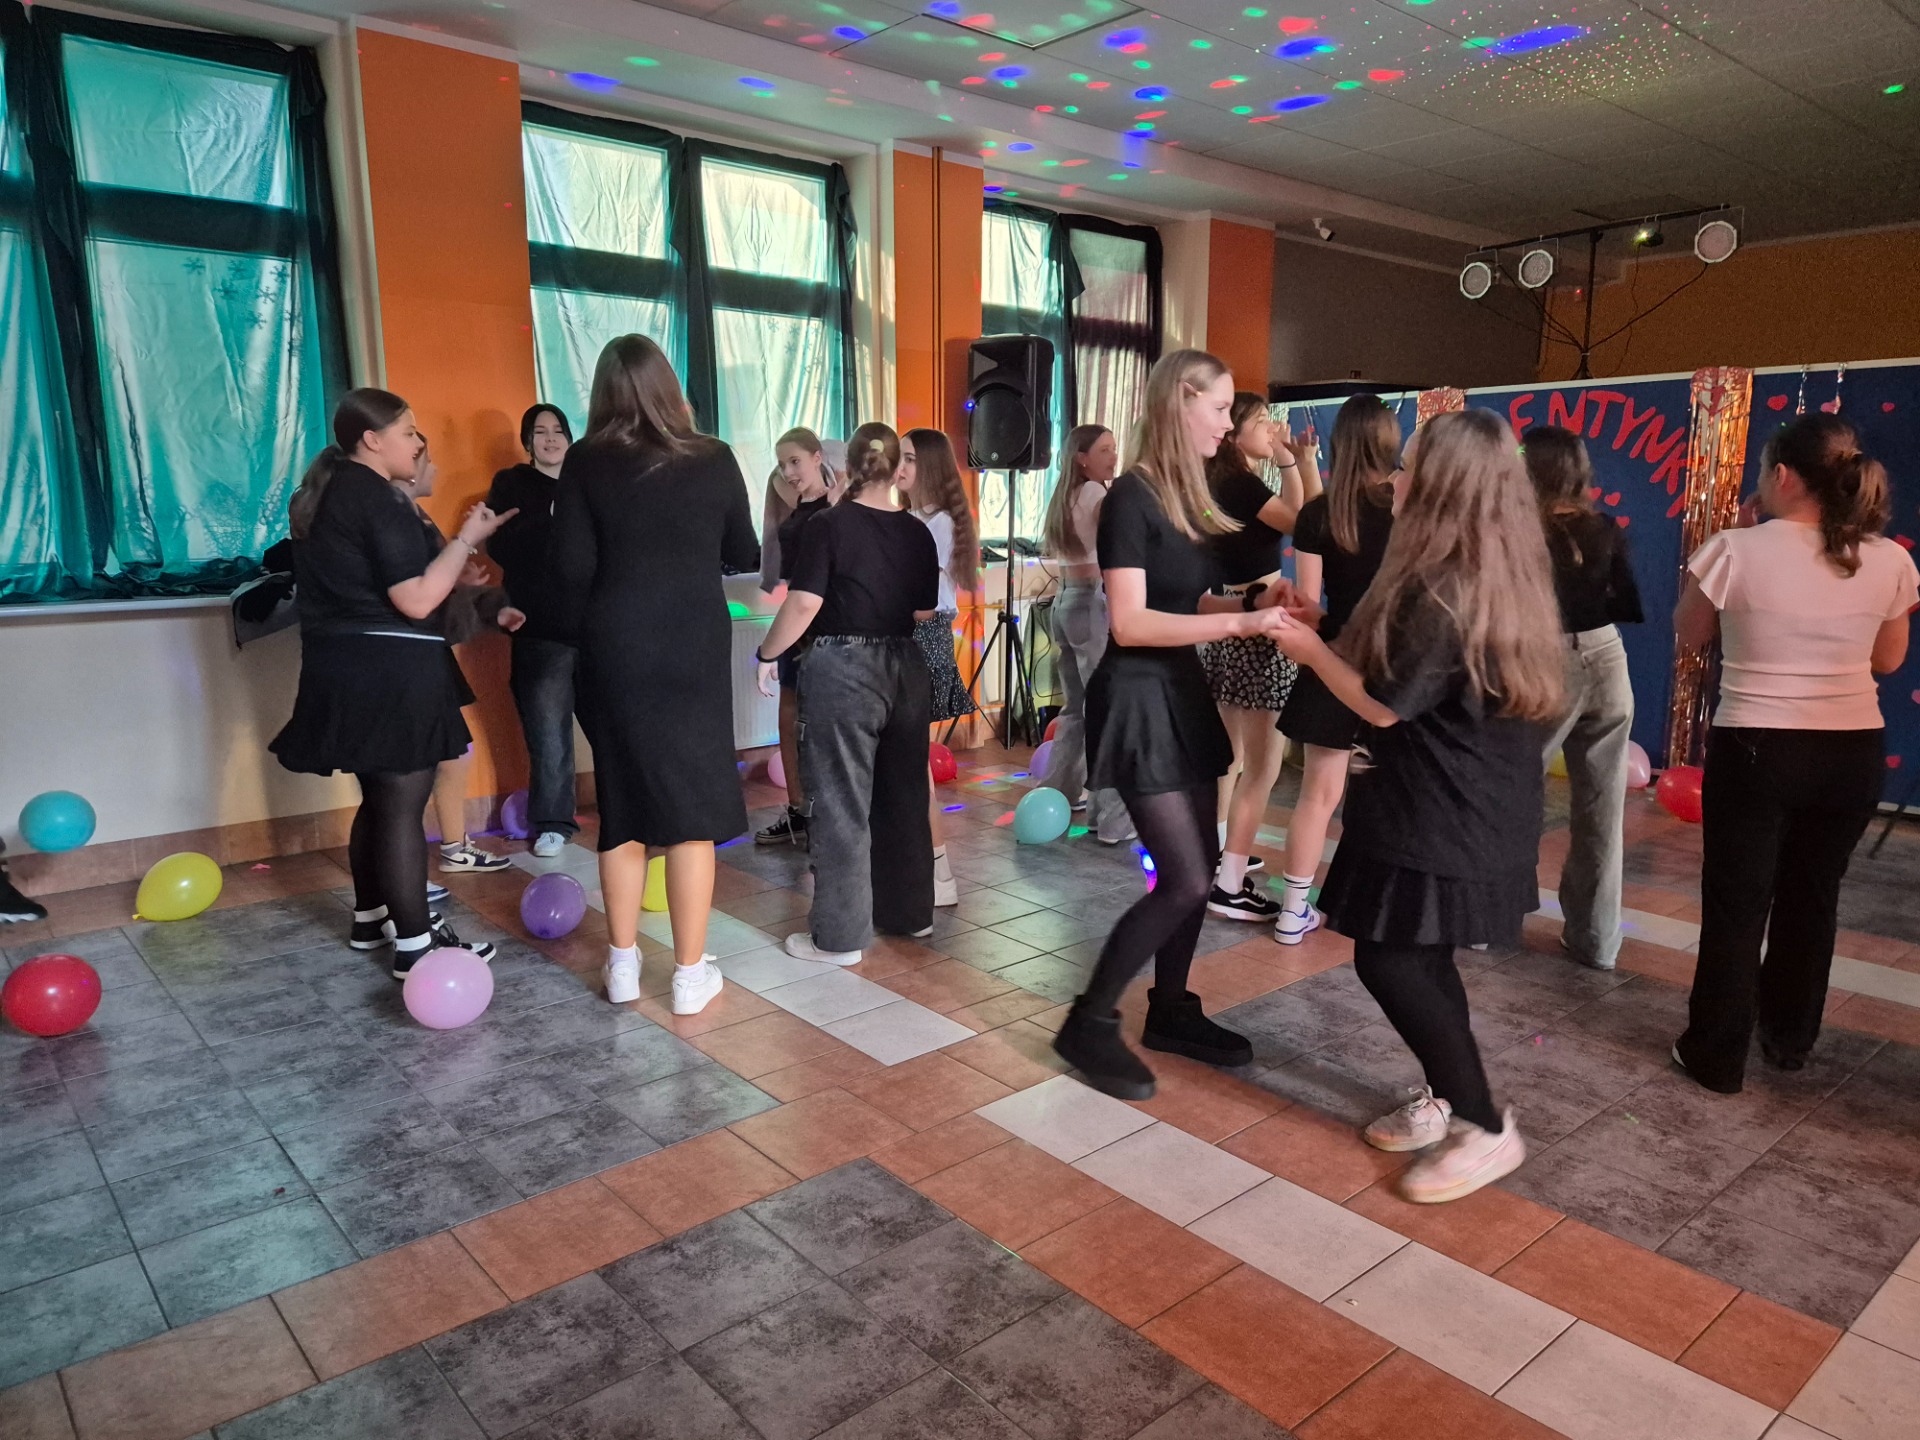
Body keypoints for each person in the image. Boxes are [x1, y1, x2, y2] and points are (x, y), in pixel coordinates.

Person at [1269, 408, 1564, 1203]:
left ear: (1439, 486)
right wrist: (1324, 630)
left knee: (1392, 958)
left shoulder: (1448, 585)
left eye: (1408, 468)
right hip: (1445, 797)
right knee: (1418, 956)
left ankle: (1483, 1125)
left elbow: (1384, 704)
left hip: (1448, 807)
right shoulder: (1469, 567)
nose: (1393, 479)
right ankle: (1451, 1098)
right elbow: (1404, 676)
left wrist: (1307, 650)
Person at [1050, 350, 1293, 1101]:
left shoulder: (1187, 496)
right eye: (1219, 408)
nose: (1228, 423)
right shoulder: (1130, 496)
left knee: (1203, 859)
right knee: (1185, 878)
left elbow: (1187, 604)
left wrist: (1255, 605)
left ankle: (1172, 1008)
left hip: (1179, 691)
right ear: (1180, 400)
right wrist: (1242, 622)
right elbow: (1129, 623)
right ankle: (1088, 1022)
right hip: (1139, 696)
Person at [1672, 413, 1916, 1093]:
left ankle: (1716, 1056)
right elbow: (1888, 660)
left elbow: (1691, 634)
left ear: (1780, 475)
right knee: (1813, 896)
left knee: (1737, 902)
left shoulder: (1733, 548)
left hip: (1757, 745)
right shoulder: (1890, 558)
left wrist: (1738, 545)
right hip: (1852, 750)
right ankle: (1789, 1038)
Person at [272, 389, 515, 976]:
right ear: (372, 440)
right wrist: (466, 539)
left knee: (380, 800)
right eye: (408, 432)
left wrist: (455, 564)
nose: (417, 442)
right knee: (402, 809)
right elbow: (417, 599)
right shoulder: (377, 498)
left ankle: (370, 917)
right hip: (390, 672)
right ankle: (416, 945)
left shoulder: (331, 492)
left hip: (342, 668)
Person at [550, 336, 759, 1015]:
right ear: (670, 388)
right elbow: (742, 550)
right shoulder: (714, 456)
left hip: (616, 646)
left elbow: (571, 567)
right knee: (692, 809)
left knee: (623, 806)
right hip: (693, 643)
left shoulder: (584, 460)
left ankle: (621, 965)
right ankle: (690, 976)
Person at [757, 423, 940, 963]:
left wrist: (765, 655)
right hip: (906, 667)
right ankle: (911, 915)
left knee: (839, 802)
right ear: (896, 469)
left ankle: (838, 938)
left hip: (844, 667)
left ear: (850, 466)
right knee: (905, 796)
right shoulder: (918, 532)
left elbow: (804, 603)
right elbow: (923, 611)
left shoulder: (829, 525)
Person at [1272, 395, 1401, 947]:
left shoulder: (1319, 513)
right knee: (1393, 795)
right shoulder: (1407, 505)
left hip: (1331, 656)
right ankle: (1378, 906)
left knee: (1317, 796)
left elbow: (1306, 600)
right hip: (1394, 661)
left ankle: (1292, 912)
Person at [1525, 425, 1644, 971]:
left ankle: (1490, 921)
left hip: (1543, 659)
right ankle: (1597, 941)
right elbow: (1628, 602)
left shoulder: (1519, 530)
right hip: (1607, 658)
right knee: (1602, 809)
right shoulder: (1604, 527)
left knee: (1513, 793)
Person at [1202, 394, 1318, 921]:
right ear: (1234, 432)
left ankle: (1218, 853)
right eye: (1261, 421)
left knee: (1230, 756)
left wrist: (1289, 462)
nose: (1271, 429)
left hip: (1233, 618)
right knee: (1263, 764)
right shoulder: (1240, 483)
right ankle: (1229, 882)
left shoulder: (1227, 480)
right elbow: (1302, 521)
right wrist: (1296, 461)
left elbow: (1292, 514)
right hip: (1259, 619)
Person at [408, 438, 514, 878]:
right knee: (409, 773)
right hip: (409, 658)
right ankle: (406, 873)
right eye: (428, 461)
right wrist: (462, 552)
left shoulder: (415, 518)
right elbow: (418, 591)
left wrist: (472, 588)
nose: (435, 469)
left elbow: (439, 583)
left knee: (455, 753)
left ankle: (453, 847)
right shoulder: (394, 521)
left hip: (429, 654)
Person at [488, 404, 580, 860]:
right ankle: (553, 823)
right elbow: (501, 543)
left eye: (558, 430)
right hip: (540, 627)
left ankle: (631, 812)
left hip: (597, 626)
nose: (550, 438)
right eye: (540, 431)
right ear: (527, 441)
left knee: (618, 727)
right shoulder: (512, 483)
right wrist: (551, 519)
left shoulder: (587, 482)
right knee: (548, 733)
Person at [1038, 424, 1130, 845]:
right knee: (1104, 709)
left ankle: (1056, 794)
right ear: (1082, 458)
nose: (1114, 456)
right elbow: (1119, 546)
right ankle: (1110, 818)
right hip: (1091, 601)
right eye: (1105, 450)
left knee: (1076, 709)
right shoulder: (1095, 494)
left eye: (1115, 448)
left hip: (1064, 601)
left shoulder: (1065, 494)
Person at [901, 427, 980, 907]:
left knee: (913, 761)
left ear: (929, 466)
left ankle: (938, 872)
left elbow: (922, 600)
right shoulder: (910, 518)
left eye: (909, 458)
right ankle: (922, 867)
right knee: (905, 761)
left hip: (923, 638)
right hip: (907, 637)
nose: (900, 467)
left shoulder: (939, 524)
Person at [755, 429, 841, 848]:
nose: (788, 471)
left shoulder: (838, 507)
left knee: (824, 723)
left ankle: (832, 815)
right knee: (788, 717)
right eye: (782, 464)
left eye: (795, 461)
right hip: (797, 622)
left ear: (817, 457)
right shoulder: (792, 508)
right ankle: (798, 811)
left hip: (828, 625)